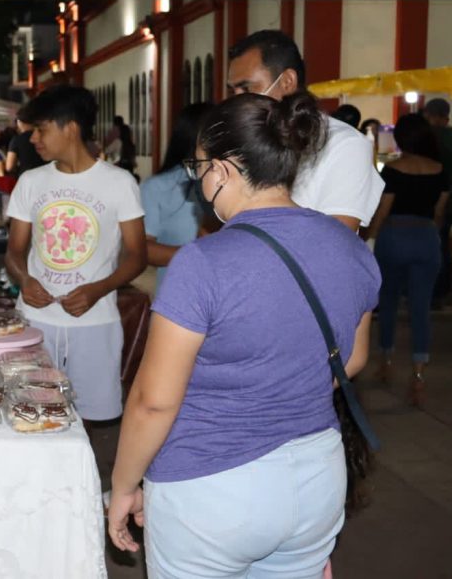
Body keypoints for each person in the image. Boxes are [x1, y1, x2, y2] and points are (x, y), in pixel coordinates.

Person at [108, 92, 379, 577]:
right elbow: (353, 359)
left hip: (211, 486)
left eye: (199, 169)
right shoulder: (349, 246)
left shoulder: (203, 261)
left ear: (221, 170)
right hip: (317, 477)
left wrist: (126, 485)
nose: (199, 181)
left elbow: (154, 402)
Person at [5, 85, 146, 421]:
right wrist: (25, 279)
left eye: (41, 129)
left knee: (94, 418)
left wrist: (99, 288)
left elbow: (137, 256)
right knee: (31, 413)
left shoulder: (119, 182)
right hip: (36, 319)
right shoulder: (31, 181)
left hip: (95, 322)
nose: (33, 138)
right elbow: (14, 251)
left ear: (70, 128)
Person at [227, 30, 384, 232]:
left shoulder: (344, 145)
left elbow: (335, 238)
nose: (236, 101)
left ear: (287, 81)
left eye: (246, 88)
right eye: (232, 91)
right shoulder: (243, 138)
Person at [367, 113, 449, 406]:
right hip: (426, 238)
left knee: (388, 301)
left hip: (394, 236)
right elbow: (439, 212)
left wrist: (369, 239)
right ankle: (418, 376)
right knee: (420, 309)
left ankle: (386, 362)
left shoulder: (392, 170)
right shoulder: (440, 170)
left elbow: (383, 210)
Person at [139, 103, 212, 286]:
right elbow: (144, 249)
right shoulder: (158, 187)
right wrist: (196, 255)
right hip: (178, 290)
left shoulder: (232, 182)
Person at [422, 98, 452, 306]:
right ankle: (444, 292)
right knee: (444, 245)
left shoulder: (432, 137)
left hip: (432, 200)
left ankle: (432, 292)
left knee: (433, 247)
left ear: (430, 115)